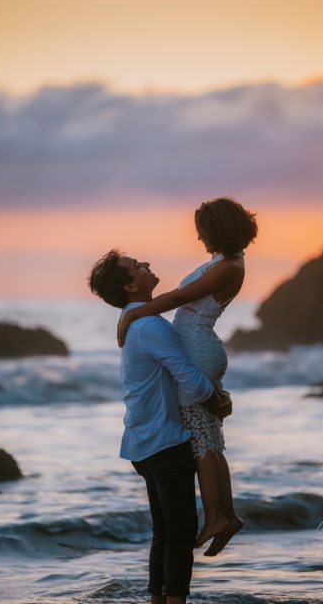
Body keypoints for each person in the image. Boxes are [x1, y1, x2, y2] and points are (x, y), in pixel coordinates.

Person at [88, 250, 232, 604]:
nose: (147, 265)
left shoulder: (133, 320)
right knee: (180, 534)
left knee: (165, 532)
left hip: (143, 440)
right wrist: (218, 400)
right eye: (137, 266)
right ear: (131, 285)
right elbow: (190, 380)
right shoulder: (149, 326)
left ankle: (157, 599)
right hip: (164, 442)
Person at [117, 197, 258, 557]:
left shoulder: (228, 266)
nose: (200, 240)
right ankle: (225, 514)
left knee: (201, 439)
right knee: (210, 435)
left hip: (198, 346)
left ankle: (216, 516)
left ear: (219, 230)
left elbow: (180, 296)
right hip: (201, 346)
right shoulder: (226, 261)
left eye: (203, 233)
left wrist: (130, 316)